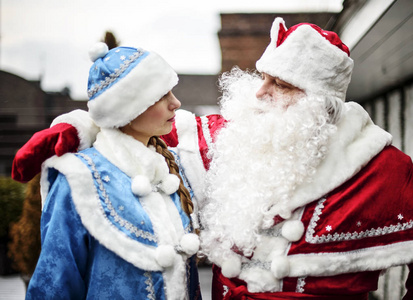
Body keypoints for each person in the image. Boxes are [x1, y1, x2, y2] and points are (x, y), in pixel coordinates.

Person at [12, 18, 413, 298]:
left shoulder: (381, 169)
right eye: (263, 77)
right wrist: (85, 125)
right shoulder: (234, 135)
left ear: (318, 101)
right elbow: (139, 122)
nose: (260, 93)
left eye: (280, 84)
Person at [22, 42, 202, 299]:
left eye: (172, 92)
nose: (176, 103)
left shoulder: (174, 167)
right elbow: (55, 282)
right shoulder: (79, 178)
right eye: (162, 96)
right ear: (127, 108)